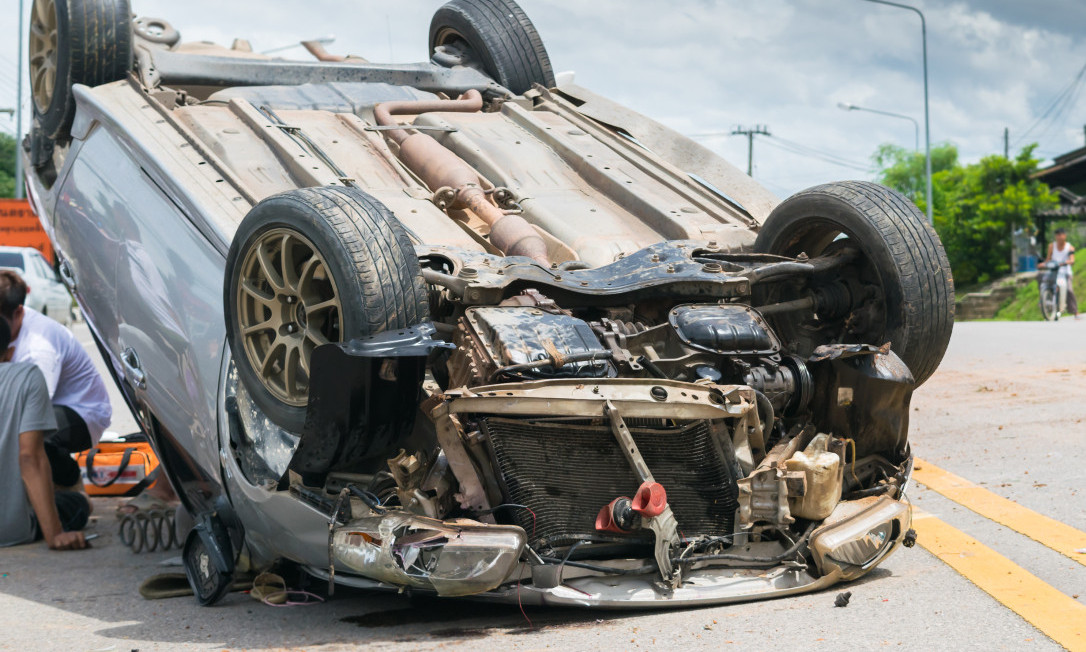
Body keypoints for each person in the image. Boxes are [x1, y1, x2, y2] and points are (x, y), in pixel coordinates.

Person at [0, 270, 112, 473]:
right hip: (42, 405)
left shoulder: (39, 347)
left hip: (81, 413)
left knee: (24, 438)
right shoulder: (10, 326)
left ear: (17, 312)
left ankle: (70, 485)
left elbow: (33, 410)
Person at [0, 315, 89, 550]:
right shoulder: (26, 377)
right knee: (80, 503)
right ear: (9, 352)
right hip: (9, 528)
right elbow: (30, 457)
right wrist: (56, 534)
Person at [1041, 228, 1078, 319]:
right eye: (1057, 235)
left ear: (1065, 236)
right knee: (1043, 281)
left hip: (1065, 272)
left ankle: (1075, 311)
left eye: (1061, 234)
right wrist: (1043, 264)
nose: (1059, 237)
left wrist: (1066, 262)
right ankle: (1043, 300)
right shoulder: (1051, 246)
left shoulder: (1069, 247)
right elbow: (1048, 258)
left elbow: (1072, 259)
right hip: (1054, 271)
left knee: (1069, 290)